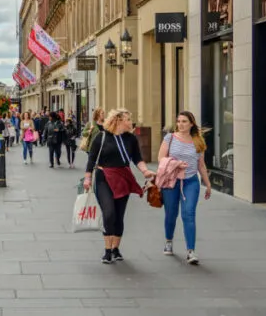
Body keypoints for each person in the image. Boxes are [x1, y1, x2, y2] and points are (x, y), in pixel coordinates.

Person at [83, 108, 155, 264]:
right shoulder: (101, 137)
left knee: (119, 215)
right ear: (118, 121)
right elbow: (91, 159)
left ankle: (116, 248)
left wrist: (145, 171)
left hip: (123, 178)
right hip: (104, 178)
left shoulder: (131, 139)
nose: (131, 122)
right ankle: (107, 250)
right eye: (128, 119)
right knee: (109, 213)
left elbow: (137, 158)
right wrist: (87, 178)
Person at [157, 111, 211, 265]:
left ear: (191, 124)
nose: (180, 124)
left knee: (189, 213)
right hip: (172, 180)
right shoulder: (170, 138)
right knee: (171, 213)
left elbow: (201, 164)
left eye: (184, 121)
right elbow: (161, 158)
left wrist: (207, 184)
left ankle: (191, 251)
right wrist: (176, 164)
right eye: (179, 121)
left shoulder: (198, 141)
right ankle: (169, 240)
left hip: (191, 181)